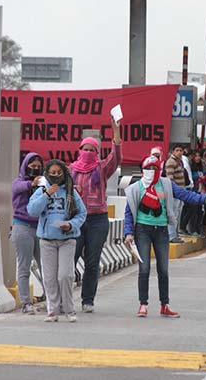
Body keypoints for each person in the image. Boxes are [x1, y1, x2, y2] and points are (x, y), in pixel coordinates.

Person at [124, 156, 206, 318]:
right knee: (144, 268)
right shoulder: (135, 188)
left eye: (154, 169)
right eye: (148, 169)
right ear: (143, 171)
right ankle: (143, 304)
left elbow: (186, 195)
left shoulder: (166, 184)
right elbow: (129, 212)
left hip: (161, 230)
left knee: (163, 269)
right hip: (142, 230)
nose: (151, 172)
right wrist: (128, 232)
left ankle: (165, 304)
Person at [70, 120, 122, 313]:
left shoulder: (101, 168)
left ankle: (87, 299)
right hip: (75, 221)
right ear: (80, 149)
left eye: (93, 150)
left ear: (98, 152)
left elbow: (116, 156)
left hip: (97, 220)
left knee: (92, 262)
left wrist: (116, 130)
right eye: (86, 149)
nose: (89, 152)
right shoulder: (71, 170)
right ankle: (66, 298)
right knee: (70, 260)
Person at [28, 160, 87, 323]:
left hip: (67, 239)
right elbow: (32, 210)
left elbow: (82, 213)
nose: (55, 176)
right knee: (49, 277)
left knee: (65, 276)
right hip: (47, 240)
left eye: (58, 173)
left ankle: (69, 309)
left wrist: (71, 225)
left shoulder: (71, 193)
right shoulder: (41, 191)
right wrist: (47, 194)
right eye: (52, 173)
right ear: (47, 173)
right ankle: (52, 310)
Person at [12, 152, 45, 314]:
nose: (36, 169)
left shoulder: (45, 183)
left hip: (41, 227)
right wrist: (31, 184)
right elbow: (17, 188)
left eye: (39, 167)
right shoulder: (19, 182)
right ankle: (26, 303)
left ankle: (51, 299)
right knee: (24, 267)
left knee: (46, 267)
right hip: (22, 226)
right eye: (32, 167)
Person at [164, 145, 187, 244]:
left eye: (181, 150)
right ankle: (171, 236)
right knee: (173, 215)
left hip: (180, 193)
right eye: (177, 150)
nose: (179, 152)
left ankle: (175, 234)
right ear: (172, 151)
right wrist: (175, 191)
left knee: (177, 215)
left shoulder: (179, 162)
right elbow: (170, 179)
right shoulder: (171, 162)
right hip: (174, 193)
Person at [180, 151, 204, 236]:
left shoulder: (200, 166)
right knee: (190, 209)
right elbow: (190, 177)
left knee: (197, 211)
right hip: (190, 190)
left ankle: (194, 229)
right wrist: (198, 175)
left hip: (198, 191)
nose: (197, 158)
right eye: (196, 156)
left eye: (199, 156)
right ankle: (187, 228)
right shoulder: (189, 165)